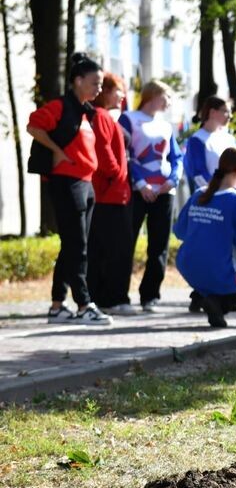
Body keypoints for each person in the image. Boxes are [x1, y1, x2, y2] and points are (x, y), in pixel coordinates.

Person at [27, 53, 112, 325]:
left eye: (101, 83)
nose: (99, 88)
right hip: (68, 182)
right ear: (77, 81)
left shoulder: (84, 110)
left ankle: (56, 305)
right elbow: (34, 125)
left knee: (72, 245)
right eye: (95, 82)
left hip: (85, 182)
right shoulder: (61, 106)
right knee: (79, 246)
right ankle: (85, 305)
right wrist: (56, 152)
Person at [174, 148, 236, 327]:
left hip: (187, 266)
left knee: (210, 272)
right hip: (217, 270)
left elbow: (179, 231)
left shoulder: (199, 194)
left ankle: (202, 295)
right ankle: (218, 305)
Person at [119, 79, 183, 313]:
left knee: (159, 245)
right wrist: (141, 182)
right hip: (138, 191)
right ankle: (119, 295)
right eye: (167, 96)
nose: (169, 102)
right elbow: (125, 155)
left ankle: (150, 296)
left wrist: (172, 180)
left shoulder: (166, 126)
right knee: (127, 242)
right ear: (153, 95)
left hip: (165, 192)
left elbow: (176, 157)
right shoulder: (129, 119)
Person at [88, 71, 137, 316]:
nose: (122, 95)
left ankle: (101, 297)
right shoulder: (101, 116)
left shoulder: (104, 116)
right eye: (119, 90)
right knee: (116, 248)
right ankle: (114, 298)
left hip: (112, 192)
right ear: (106, 92)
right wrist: (118, 174)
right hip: (111, 194)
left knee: (103, 247)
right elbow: (104, 150)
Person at [184, 96, 236, 195]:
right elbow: (199, 175)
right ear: (212, 112)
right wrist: (221, 194)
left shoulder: (230, 139)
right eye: (226, 111)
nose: (230, 116)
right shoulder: (197, 140)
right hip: (211, 200)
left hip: (233, 199)